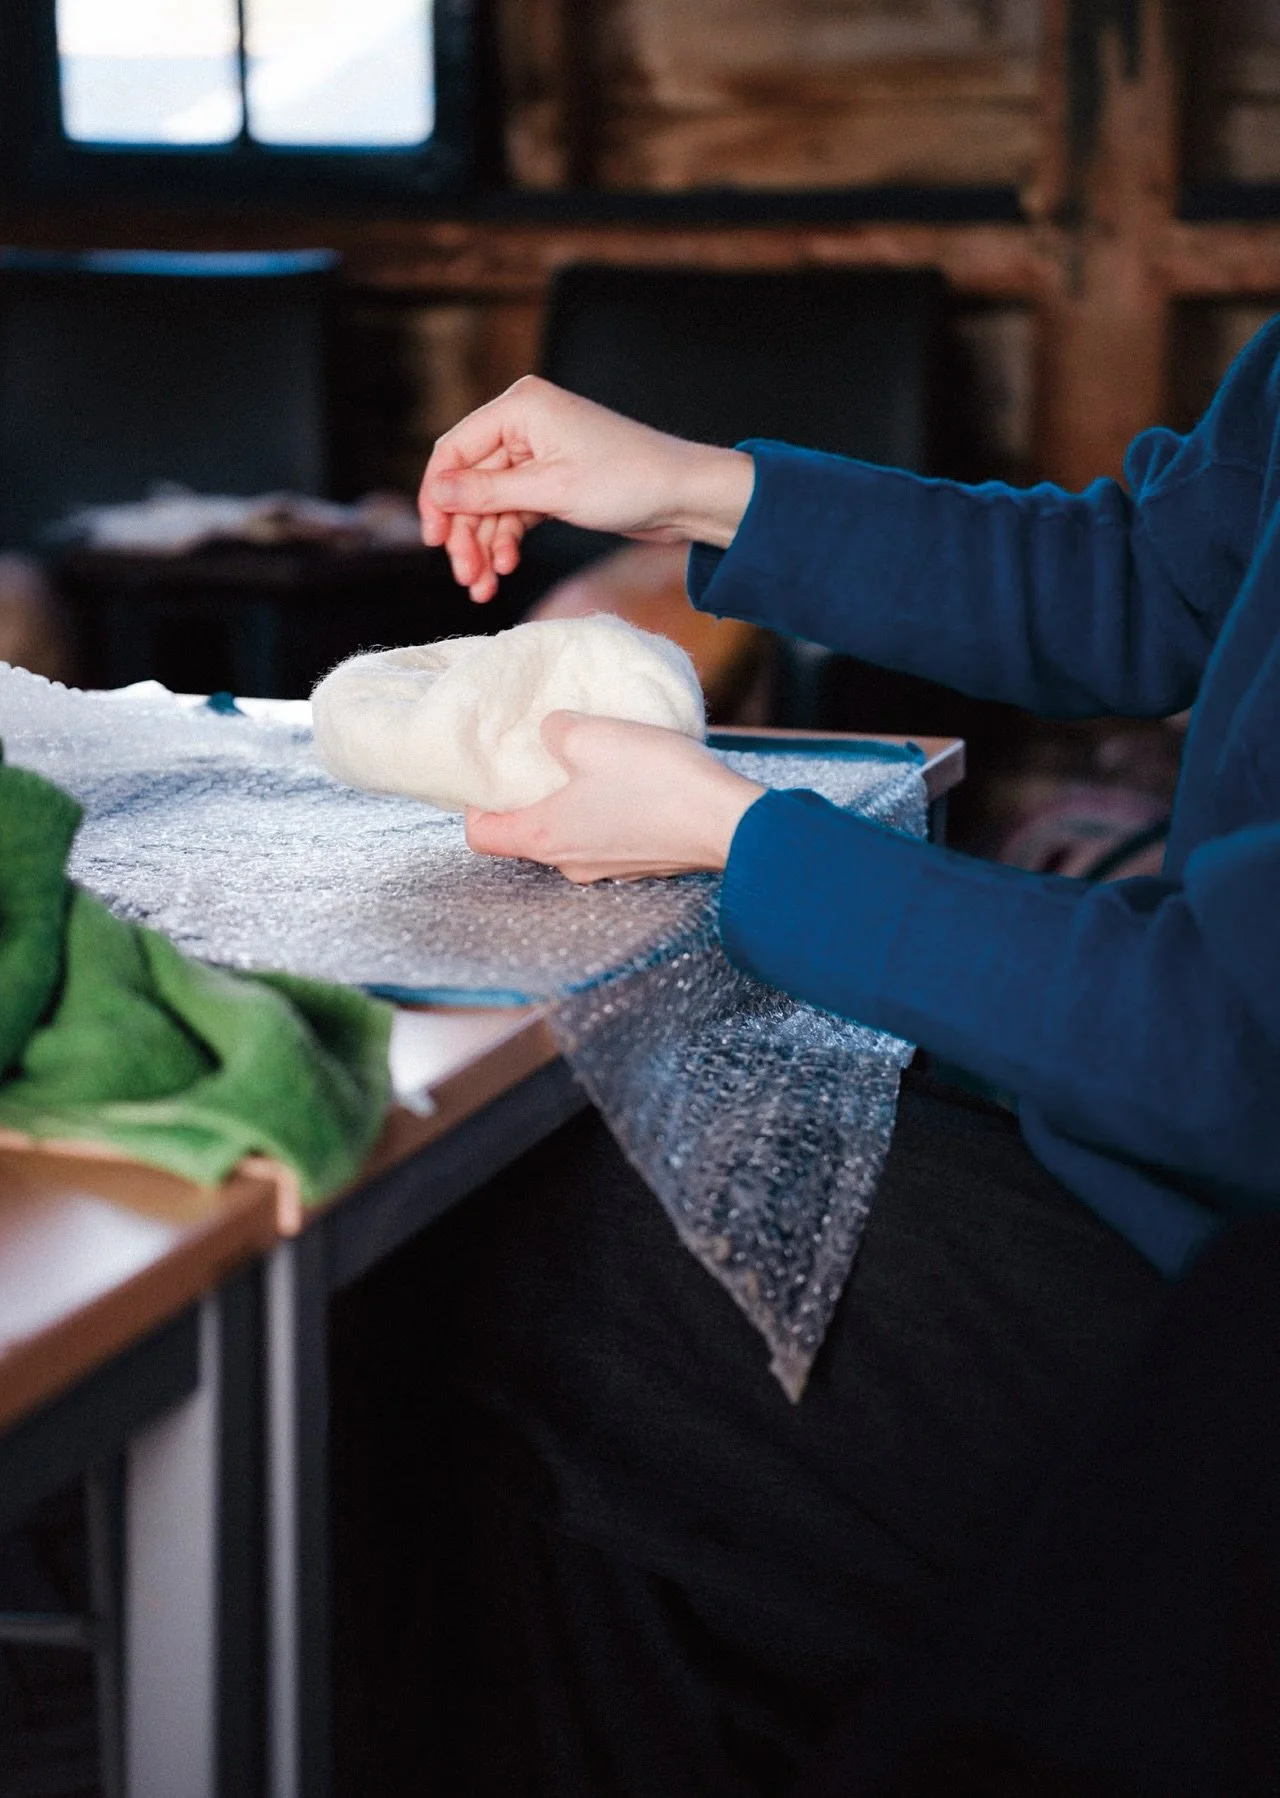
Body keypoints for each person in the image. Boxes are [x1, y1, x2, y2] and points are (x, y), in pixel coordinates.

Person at [396, 324, 1280, 1796]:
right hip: (1181, 1204)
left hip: (1226, 1333)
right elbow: (1149, 574)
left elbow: (1238, 1049)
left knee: (536, 1248)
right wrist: (689, 486)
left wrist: (736, 834)